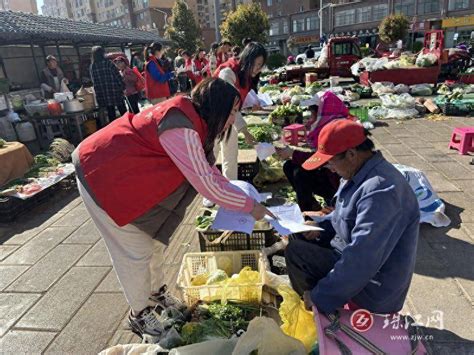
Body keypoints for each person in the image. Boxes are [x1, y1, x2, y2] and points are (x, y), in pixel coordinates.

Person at [72, 78, 276, 337]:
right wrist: (251, 207)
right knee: (135, 253)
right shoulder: (180, 125)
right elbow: (207, 185)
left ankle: (155, 294)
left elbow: (209, 172)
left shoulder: (196, 123)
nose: (233, 118)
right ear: (216, 108)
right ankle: (139, 313)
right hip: (103, 173)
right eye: (233, 112)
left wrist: (241, 196)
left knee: (154, 243)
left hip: (130, 177)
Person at [285, 119, 420, 315]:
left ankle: (320, 311)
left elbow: (362, 257)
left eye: (331, 161)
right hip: (348, 254)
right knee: (299, 235)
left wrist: (320, 296)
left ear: (351, 154)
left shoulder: (382, 190)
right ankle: (321, 301)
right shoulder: (356, 174)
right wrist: (319, 226)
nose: (329, 168)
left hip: (374, 285)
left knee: (297, 253)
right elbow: (344, 218)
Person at [276, 91, 348, 211]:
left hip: (339, 183)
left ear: (322, 113)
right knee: (290, 166)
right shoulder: (328, 123)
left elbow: (321, 159)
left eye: (313, 115)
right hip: (329, 174)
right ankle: (312, 206)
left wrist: (293, 153)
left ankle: (310, 211)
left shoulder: (336, 130)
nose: (311, 119)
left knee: (299, 173)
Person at [214, 42, 267, 179]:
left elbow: (238, 100)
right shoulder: (228, 72)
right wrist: (245, 131)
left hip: (228, 119)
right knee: (211, 156)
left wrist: (249, 106)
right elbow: (227, 104)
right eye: (258, 64)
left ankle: (231, 189)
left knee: (230, 155)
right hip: (212, 117)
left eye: (261, 66)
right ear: (248, 59)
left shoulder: (245, 74)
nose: (259, 69)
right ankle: (209, 194)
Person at [90, 46, 127, 123]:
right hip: (115, 91)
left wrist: (98, 96)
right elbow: (117, 76)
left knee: (111, 114)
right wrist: (123, 87)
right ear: (103, 54)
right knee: (123, 111)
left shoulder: (93, 67)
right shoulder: (109, 63)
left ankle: (114, 130)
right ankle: (129, 126)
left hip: (103, 94)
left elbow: (95, 82)